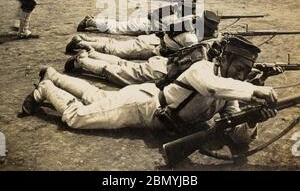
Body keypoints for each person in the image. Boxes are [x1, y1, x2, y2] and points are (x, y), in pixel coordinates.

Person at [21, 36, 278, 144]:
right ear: (223, 59)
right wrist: (253, 91)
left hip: (148, 105)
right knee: (76, 118)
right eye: (239, 67)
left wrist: (252, 120)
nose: (242, 75)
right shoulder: (204, 70)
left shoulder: (230, 90)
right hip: (143, 106)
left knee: (96, 96)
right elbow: (212, 88)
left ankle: (54, 76)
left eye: (246, 71)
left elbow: (237, 136)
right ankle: (45, 88)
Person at [66, 10, 220, 59]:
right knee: (115, 50)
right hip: (153, 45)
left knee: (117, 43)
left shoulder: (189, 19)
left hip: (153, 38)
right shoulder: (191, 38)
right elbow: (196, 53)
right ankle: (81, 43)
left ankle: (86, 39)